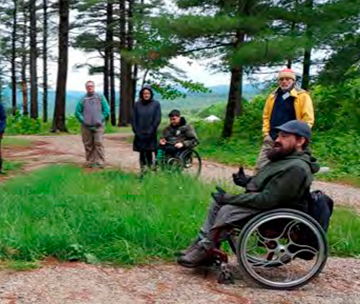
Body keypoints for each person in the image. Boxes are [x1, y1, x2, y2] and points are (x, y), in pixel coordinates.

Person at [178, 120, 318, 267]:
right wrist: (246, 181)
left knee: (227, 209)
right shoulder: (286, 160)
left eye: (284, 136)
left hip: (273, 211)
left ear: (300, 141)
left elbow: (268, 199)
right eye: (278, 136)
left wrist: (230, 198)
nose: (277, 140)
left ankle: (206, 248)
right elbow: (271, 185)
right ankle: (201, 244)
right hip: (267, 205)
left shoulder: (297, 168)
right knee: (217, 203)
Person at [257, 68, 314, 170]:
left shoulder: (302, 96)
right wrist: (266, 133)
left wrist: (299, 137)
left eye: (288, 79)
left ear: (293, 81)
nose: (284, 81)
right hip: (272, 138)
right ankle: (256, 184)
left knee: (290, 169)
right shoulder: (273, 97)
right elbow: (266, 116)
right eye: (282, 79)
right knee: (261, 166)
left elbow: (308, 119)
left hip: (291, 140)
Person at [75, 80, 110, 168]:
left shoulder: (100, 97)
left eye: (91, 86)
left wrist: (100, 119)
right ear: (86, 88)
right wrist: (83, 120)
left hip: (99, 125)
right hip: (86, 126)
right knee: (88, 144)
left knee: (98, 143)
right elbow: (77, 112)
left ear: (93, 87)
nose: (89, 87)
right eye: (88, 86)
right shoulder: (83, 99)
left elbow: (106, 110)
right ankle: (90, 161)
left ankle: (100, 162)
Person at [131, 85, 161, 175]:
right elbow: (133, 119)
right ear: (141, 94)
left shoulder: (156, 104)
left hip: (151, 133)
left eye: (148, 93)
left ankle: (152, 169)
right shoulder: (137, 104)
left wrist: (152, 130)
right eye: (144, 93)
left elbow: (157, 118)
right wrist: (136, 130)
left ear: (151, 94)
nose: (146, 95)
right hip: (140, 133)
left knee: (150, 151)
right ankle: (143, 171)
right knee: (142, 152)